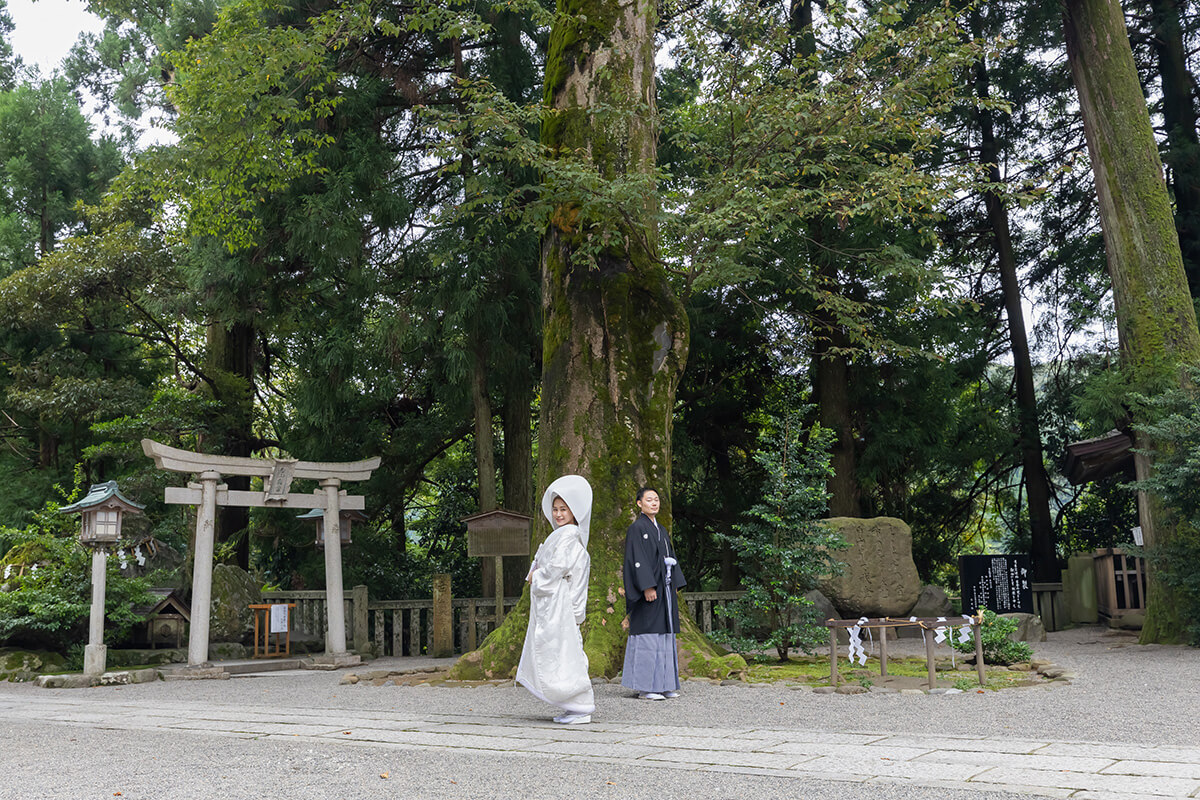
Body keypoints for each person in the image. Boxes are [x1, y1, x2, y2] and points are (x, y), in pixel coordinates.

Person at [515, 474, 595, 724]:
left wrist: (536, 576)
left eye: (564, 509)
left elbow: (556, 568)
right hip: (560, 603)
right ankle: (573, 704)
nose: (558, 514)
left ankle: (580, 704)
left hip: (562, 604)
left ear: (574, 511)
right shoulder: (563, 535)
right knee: (563, 652)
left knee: (566, 653)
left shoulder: (569, 537)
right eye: (556, 509)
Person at [621, 485, 687, 700]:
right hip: (649, 590)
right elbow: (636, 559)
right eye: (649, 500)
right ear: (639, 504)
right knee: (648, 635)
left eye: (656, 499)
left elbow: (671, 556)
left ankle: (664, 684)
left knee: (665, 634)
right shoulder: (637, 528)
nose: (654, 503)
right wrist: (647, 586)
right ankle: (646, 687)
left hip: (664, 589)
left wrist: (675, 581)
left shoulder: (661, 530)